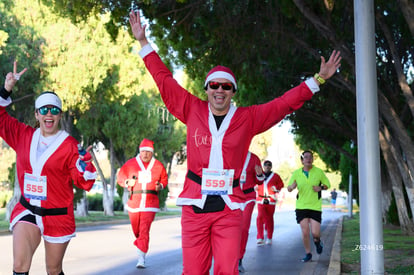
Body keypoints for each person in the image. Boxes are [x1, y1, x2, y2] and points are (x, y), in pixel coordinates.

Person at [129, 10, 341, 274]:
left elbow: (283, 105)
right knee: (193, 271)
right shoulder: (191, 109)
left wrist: (317, 80)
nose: (220, 90)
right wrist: (143, 43)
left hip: (229, 208)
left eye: (226, 87)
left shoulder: (247, 118)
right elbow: (164, 80)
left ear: (232, 92)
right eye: (214, 85)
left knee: (227, 270)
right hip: (194, 206)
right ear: (206, 90)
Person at [0, 62, 97, 275]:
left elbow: (84, 182)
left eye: (54, 110)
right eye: (44, 110)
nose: (49, 114)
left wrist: (85, 164)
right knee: (19, 266)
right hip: (28, 210)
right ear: (37, 115)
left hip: (57, 215)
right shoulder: (24, 135)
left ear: (60, 115)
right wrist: (6, 89)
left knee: (53, 270)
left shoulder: (70, 145)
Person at [116, 138, 168, 268]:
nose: (145, 154)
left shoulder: (158, 165)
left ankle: (141, 258)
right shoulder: (131, 163)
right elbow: (121, 177)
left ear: (152, 153)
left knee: (144, 230)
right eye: (143, 151)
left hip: (150, 203)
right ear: (140, 151)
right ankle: (140, 243)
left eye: (148, 152)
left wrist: (160, 186)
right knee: (137, 230)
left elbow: (164, 179)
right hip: (134, 202)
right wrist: (127, 182)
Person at [287, 150, 331, 263]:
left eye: (310, 157)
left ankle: (317, 242)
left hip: (315, 206)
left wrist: (320, 188)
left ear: (313, 159)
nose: (308, 159)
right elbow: (290, 186)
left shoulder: (319, 172)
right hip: (301, 206)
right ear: (302, 160)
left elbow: (327, 184)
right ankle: (308, 254)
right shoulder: (296, 173)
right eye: (305, 157)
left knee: (315, 233)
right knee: (305, 232)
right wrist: (291, 187)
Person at [238, 152, 264, 273]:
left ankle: (239, 259)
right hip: (232, 196)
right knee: (229, 229)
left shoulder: (254, 158)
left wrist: (259, 175)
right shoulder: (230, 153)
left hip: (248, 197)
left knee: (243, 228)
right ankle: (228, 258)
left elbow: (260, 180)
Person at [255, 160, 284, 246]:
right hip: (261, 199)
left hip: (271, 200)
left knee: (269, 218)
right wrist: (255, 187)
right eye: (266, 165)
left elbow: (281, 184)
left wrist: (276, 188)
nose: (267, 167)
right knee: (260, 217)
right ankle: (260, 237)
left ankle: (269, 237)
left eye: (269, 165)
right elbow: (254, 182)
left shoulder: (275, 176)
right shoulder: (259, 175)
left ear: (271, 167)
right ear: (263, 166)